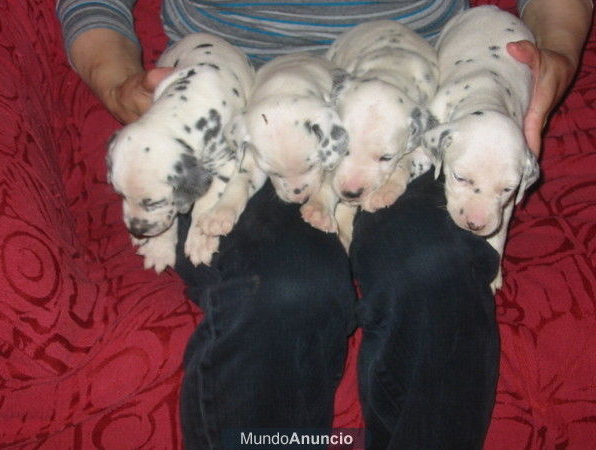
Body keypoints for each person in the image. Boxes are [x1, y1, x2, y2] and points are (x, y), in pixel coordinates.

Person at [57, 1, 592, 448]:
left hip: (417, 96)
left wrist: (558, 54)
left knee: (435, 269)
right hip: (244, 103)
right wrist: (117, 82)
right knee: (286, 291)